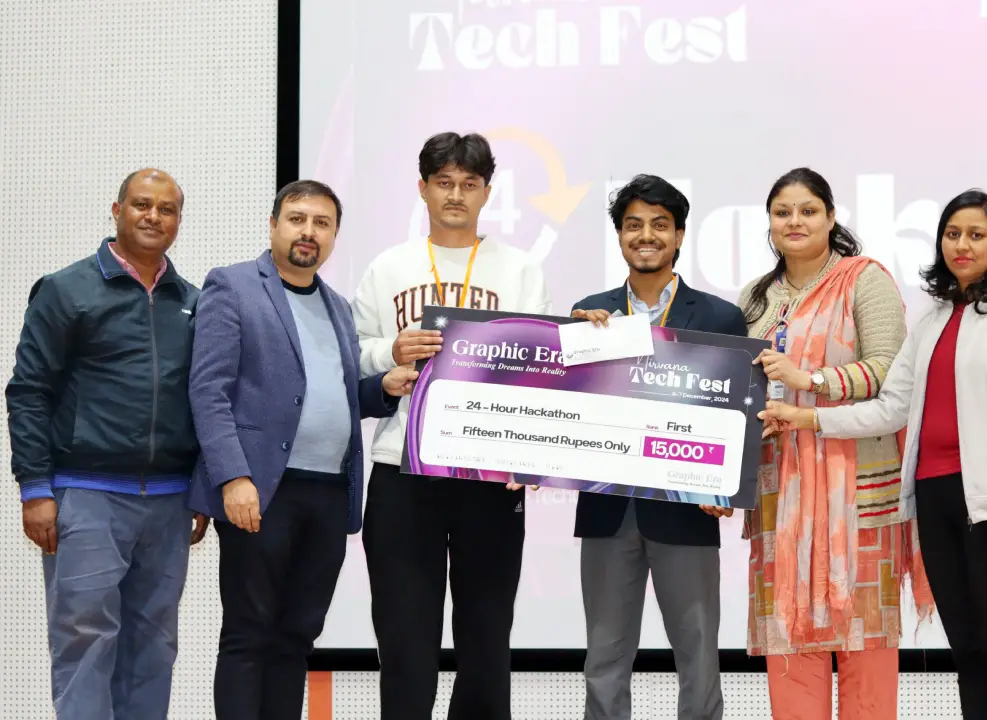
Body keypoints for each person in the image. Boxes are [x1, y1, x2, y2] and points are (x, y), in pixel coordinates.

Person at [762, 189, 987, 720]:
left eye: (976, 235)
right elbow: (891, 408)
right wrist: (808, 418)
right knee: (966, 647)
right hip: (935, 496)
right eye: (952, 234)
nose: (961, 245)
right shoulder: (934, 318)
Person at [187, 179, 417, 720]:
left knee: (297, 637)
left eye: (322, 223)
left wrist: (380, 389)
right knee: (249, 633)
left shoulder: (337, 307)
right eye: (297, 219)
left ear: (334, 235)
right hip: (261, 489)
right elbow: (208, 389)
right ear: (273, 226)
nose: (308, 232)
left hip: (328, 494)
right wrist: (231, 477)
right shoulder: (233, 286)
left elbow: (331, 393)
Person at [352, 131, 552, 719]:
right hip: (401, 471)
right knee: (405, 640)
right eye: (443, 183)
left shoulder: (520, 270)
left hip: (489, 477)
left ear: (487, 192)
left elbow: (542, 369)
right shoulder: (388, 267)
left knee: (486, 638)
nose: (455, 195)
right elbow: (356, 352)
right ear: (422, 189)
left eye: (468, 184)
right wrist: (391, 350)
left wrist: (531, 453)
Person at [6, 168, 207, 720]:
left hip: (168, 503)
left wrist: (199, 489)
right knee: (85, 639)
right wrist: (36, 488)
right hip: (86, 497)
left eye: (166, 210)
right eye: (142, 205)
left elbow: (202, 399)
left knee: (154, 647)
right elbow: (28, 392)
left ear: (178, 222)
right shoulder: (66, 290)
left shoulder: (191, 302)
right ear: (116, 210)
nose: (153, 217)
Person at [737, 168, 932, 720]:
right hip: (781, 498)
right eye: (782, 212)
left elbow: (889, 372)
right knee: (791, 652)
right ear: (769, 223)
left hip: (861, 501)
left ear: (830, 217)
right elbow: (737, 390)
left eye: (807, 210)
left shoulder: (863, 280)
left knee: (866, 655)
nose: (794, 221)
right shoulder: (755, 297)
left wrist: (811, 381)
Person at [568, 174, 743, 720]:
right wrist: (575, 345)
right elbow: (570, 411)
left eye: (660, 225)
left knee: (698, 656)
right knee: (604, 658)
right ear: (620, 235)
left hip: (687, 510)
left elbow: (736, 414)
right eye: (634, 225)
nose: (646, 235)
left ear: (680, 235)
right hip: (606, 511)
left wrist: (727, 486)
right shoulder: (587, 314)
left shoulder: (718, 317)